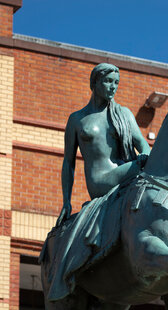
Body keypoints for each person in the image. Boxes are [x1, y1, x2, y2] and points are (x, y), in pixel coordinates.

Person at [58, 63, 150, 225]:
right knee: (155, 166)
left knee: (155, 164)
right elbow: (68, 162)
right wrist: (66, 201)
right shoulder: (77, 119)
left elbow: (142, 142)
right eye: (108, 81)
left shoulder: (123, 114)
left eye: (116, 82)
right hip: (99, 181)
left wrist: (145, 153)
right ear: (94, 83)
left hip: (124, 170)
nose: (113, 87)